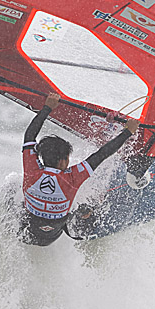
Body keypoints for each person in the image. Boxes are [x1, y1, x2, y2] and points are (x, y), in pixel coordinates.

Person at [19, 93, 139, 245]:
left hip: (27, 229)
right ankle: (86, 219)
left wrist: (47, 107)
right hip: (54, 234)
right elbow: (101, 154)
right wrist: (128, 132)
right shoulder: (72, 178)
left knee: (13, 193)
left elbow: (29, 136)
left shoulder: (32, 170)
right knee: (85, 208)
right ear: (63, 161)